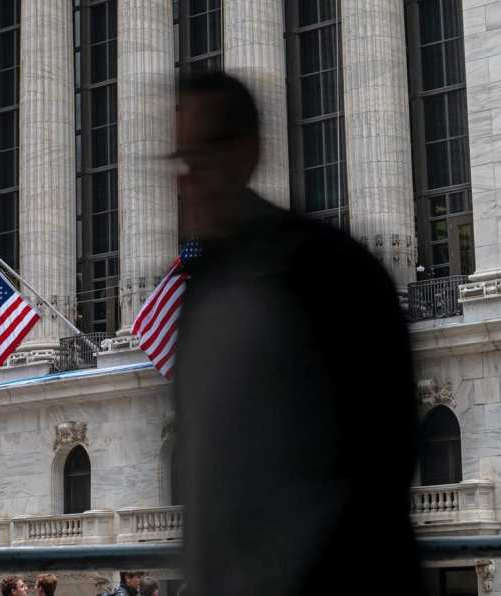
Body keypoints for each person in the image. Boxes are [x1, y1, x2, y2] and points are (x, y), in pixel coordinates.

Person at [172, 71, 423, 594]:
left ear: (248, 153)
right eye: (182, 161)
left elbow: (380, 466)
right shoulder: (201, 287)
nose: (188, 179)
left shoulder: (336, 275)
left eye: (203, 157)